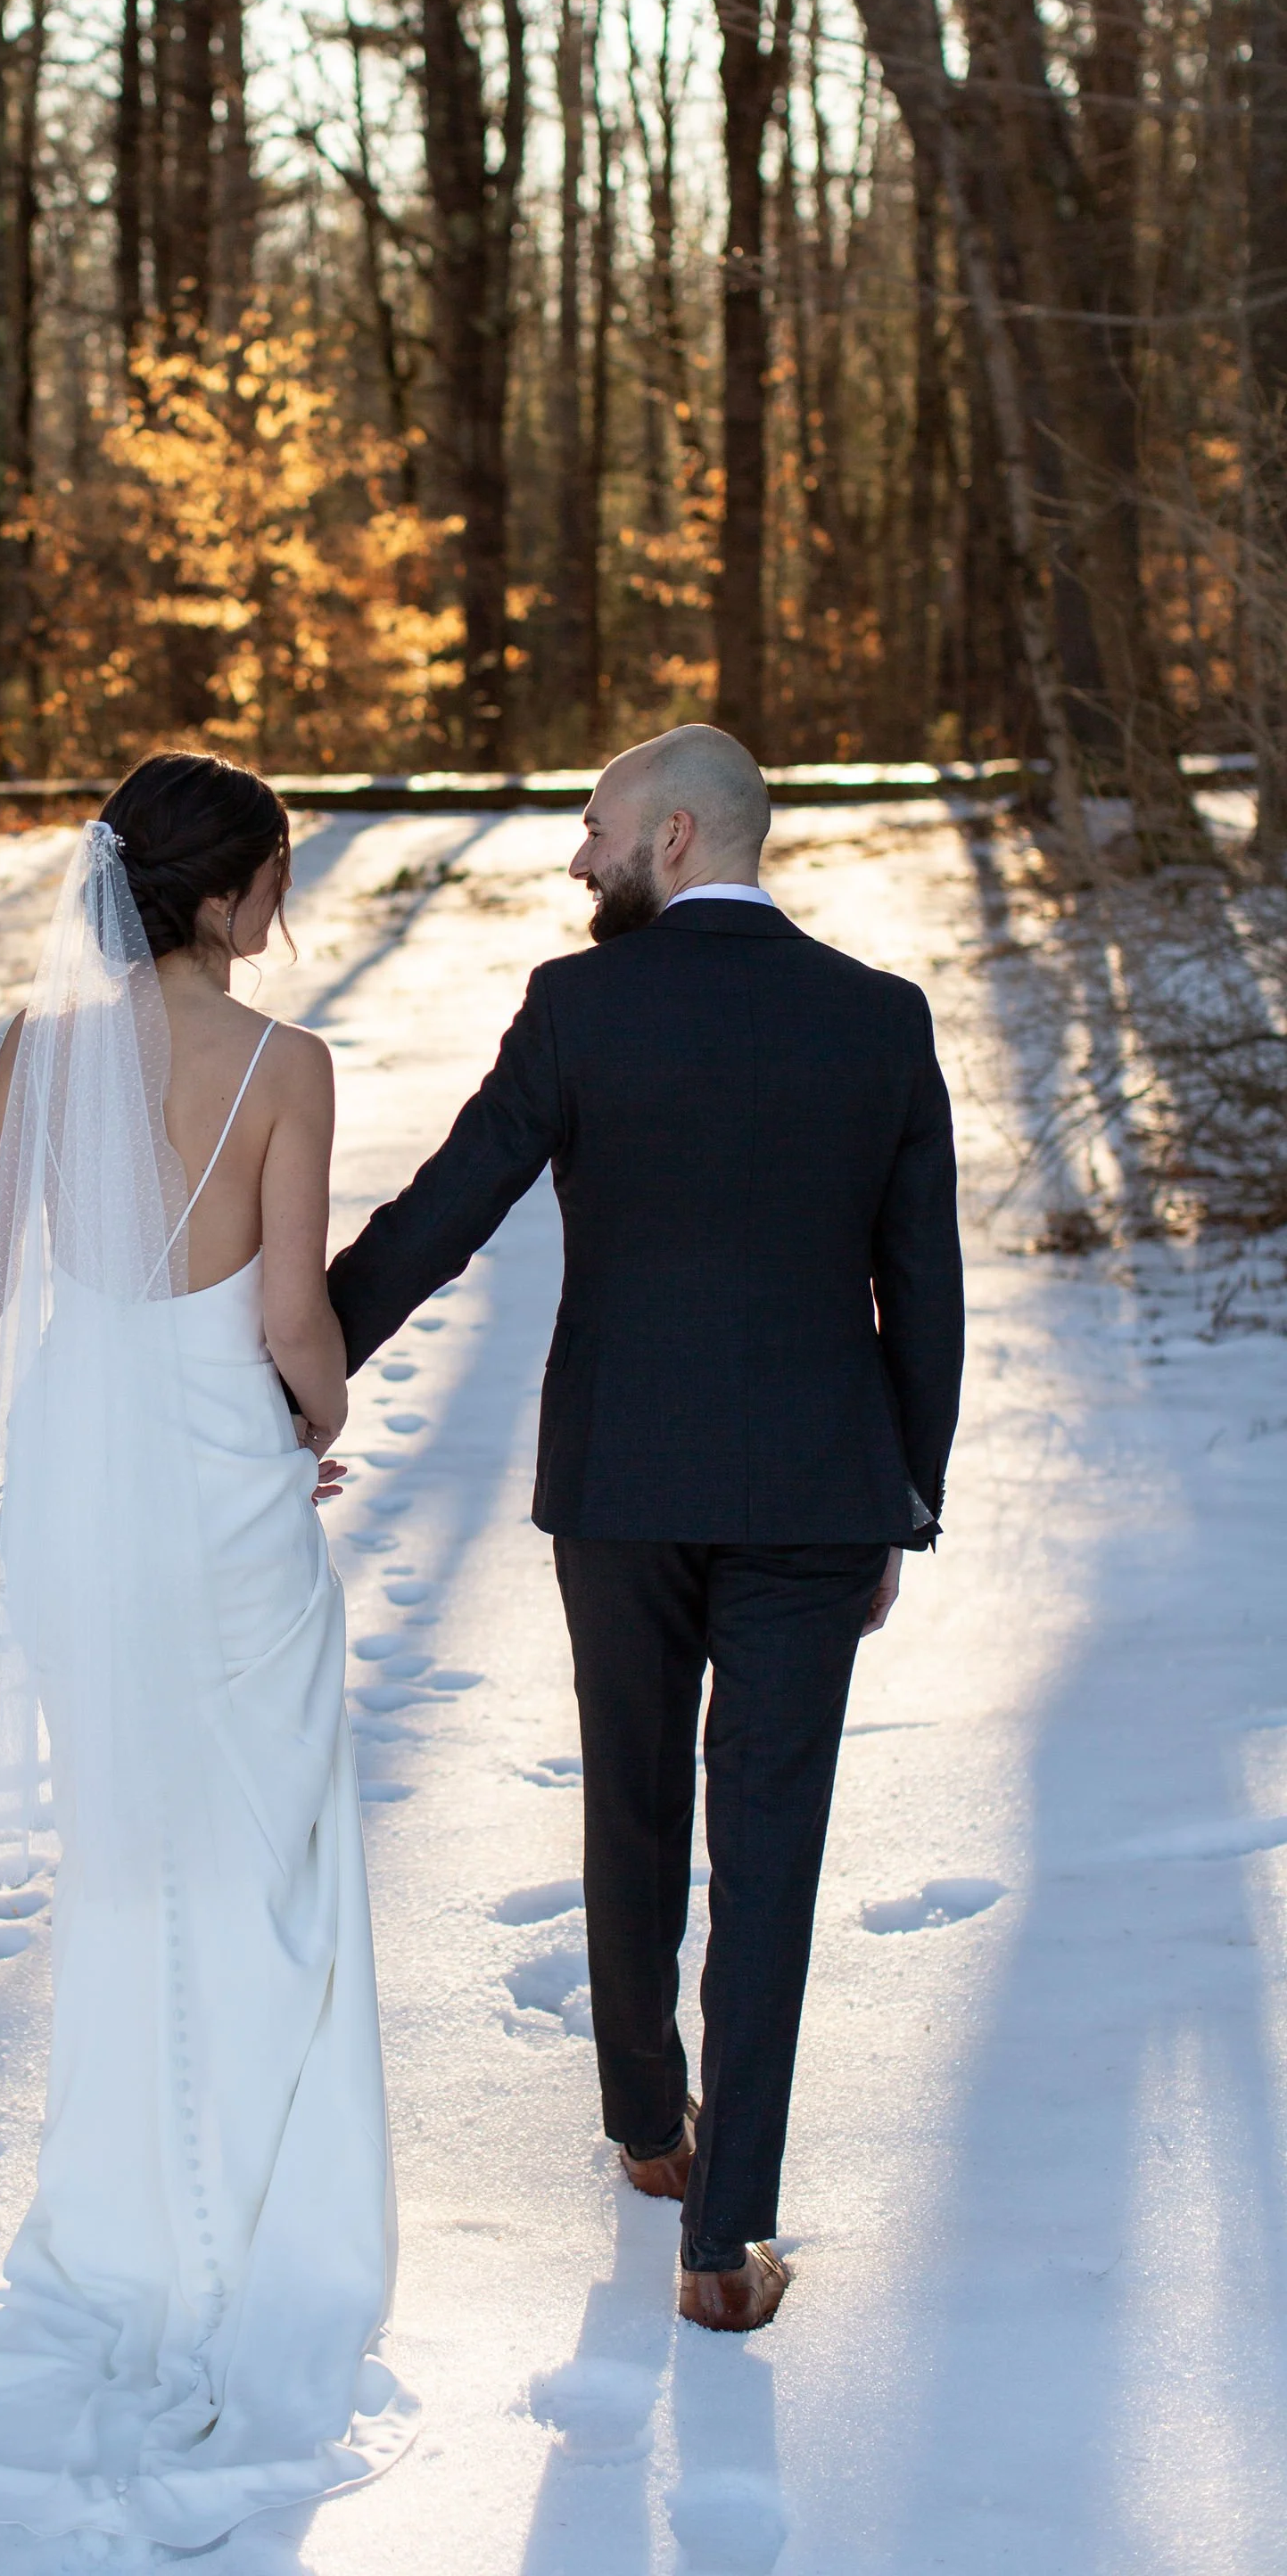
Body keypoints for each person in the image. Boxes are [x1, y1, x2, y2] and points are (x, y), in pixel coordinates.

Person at [0, 753, 416, 2547]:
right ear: (225, 897)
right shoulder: (285, 1066)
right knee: (264, 1833)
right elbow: (293, 1309)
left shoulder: (39, 1048)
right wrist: (320, 1417)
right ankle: (262, 2207)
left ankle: (132, 2204)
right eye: (276, 877)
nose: (284, 907)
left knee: (125, 1840)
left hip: (77, 1471)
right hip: (218, 1470)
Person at [327, 723, 965, 2333]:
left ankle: (646, 2128)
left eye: (597, 826)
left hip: (622, 1483)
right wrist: (904, 1490)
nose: (576, 857)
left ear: (677, 836)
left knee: (630, 1795)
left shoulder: (581, 1006)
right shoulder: (881, 1023)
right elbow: (928, 1295)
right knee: (772, 1849)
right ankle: (725, 2239)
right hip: (818, 1492)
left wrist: (293, 1372)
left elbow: (445, 1213)